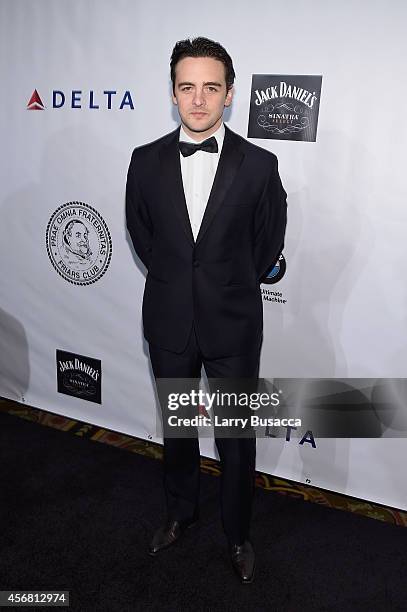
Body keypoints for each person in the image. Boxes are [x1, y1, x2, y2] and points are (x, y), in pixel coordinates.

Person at [126, 37, 287, 584]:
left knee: (235, 437)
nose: (198, 100)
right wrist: (180, 282)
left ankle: (238, 534)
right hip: (170, 319)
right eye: (187, 86)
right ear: (173, 93)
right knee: (177, 428)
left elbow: (266, 247)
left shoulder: (261, 166)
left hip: (234, 324)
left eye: (210, 87)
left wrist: (224, 284)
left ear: (230, 94)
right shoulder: (144, 161)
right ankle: (179, 513)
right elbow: (142, 234)